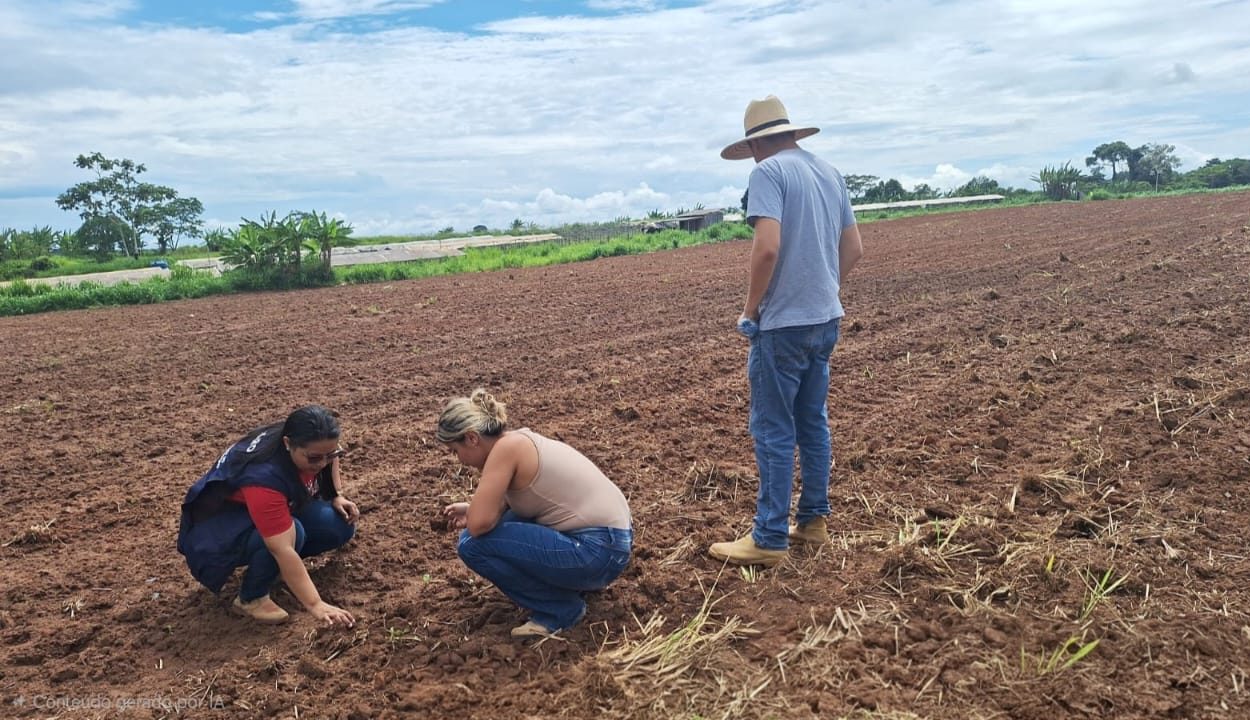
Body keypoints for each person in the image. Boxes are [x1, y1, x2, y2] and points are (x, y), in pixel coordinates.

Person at [709, 94, 864, 567]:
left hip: (783, 326)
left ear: (756, 144)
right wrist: (823, 287)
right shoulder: (828, 172)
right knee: (812, 422)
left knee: (773, 430)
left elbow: (767, 249)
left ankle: (770, 537)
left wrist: (752, 310)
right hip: (826, 318)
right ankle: (813, 522)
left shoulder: (768, 173)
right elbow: (854, 248)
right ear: (792, 134)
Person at [435, 389, 632, 638]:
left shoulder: (506, 450)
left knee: (472, 545)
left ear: (472, 438)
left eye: (455, 451)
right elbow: (522, 502)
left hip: (596, 553)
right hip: (610, 548)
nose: (459, 460)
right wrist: (473, 508)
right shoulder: (517, 440)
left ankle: (560, 609)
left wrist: (476, 513)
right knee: (505, 524)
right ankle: (569, 589)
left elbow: (478, 525)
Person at [177, 405, 359, 626]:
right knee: (292, 535)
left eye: (328, 456)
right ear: (287, 444)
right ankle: (251, 597)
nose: (322, 464)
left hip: (260, 509)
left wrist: (335, 495)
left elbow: (327, 452)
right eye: (313, 458)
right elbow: (280, 547)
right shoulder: (263, 478)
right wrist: (315, 604)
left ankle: (282, 571)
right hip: (218, 530)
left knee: (338, 524)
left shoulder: (305, 438)